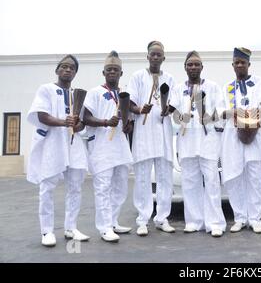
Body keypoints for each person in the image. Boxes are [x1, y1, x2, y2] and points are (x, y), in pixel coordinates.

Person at [27, 54, 90, 247]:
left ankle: (71, 227)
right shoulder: (46, 89)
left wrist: (77, 125)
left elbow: (82, 124)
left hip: (74, 145)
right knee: (47, 187)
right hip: (52, 144)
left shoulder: (77, 94)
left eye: (72, 67)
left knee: (75, 187)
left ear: (75, 72)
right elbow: (42, 115)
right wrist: (64, 122)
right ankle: (47, 231)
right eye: (64, 66)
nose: (68, 70)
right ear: (57, 70)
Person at [169, 51, 226, 237]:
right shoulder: (178, 88)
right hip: (187, 140)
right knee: (190, 182)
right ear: (185, 67)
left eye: (196, 64)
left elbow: (222, 110)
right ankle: (194, 221)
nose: (193, 67)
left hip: (208, 140)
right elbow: (173, 113)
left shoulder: (213, 87)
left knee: (211, 181)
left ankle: (215, 223)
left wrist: (210, 117)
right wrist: (180, 117)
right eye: (190, 65)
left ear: (202, 67)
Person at [83, 51, 134, 242]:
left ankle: (113, 221)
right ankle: (104, 228)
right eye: (109, 69)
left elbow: (128, 120)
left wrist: (128, 125)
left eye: (116, 70)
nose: (112, 72)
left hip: (120, 146)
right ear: (103, 72)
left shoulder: (124, 94)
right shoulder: (95, 92)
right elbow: (85, 117)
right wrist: (105, 122)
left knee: (120, 186)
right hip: (102, 147)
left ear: (121, 73)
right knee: (103, 187)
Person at [127, 41, 176, 235]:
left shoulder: (170, 78)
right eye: (152, 54)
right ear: (147, 57)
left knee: (165, 178)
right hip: (144, 134)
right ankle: (142, 220)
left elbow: (173, 103)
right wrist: (139, 109)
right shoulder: (137, 76)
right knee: (143, 179)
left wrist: (167, 109)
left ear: (163, 58)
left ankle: (162, 218)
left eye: (159, 55)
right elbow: (129, 103)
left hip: (163, 133)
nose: (155, 57)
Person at [220, 47, 261, 234]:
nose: (240, 65)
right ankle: (240, 218)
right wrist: (235, 115)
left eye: (243, 62)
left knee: (255, 177)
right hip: (233, 136)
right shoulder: (228, 87)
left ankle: (255, 219)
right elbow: (222, 112)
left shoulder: (260, 84)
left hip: (254, 135)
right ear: (233, 65)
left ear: (249, 64)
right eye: (237, 62)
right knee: (235, 177)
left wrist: (251, 123)